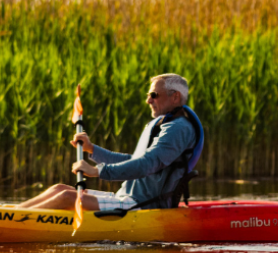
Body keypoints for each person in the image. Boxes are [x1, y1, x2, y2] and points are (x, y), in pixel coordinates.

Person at [16, 73, 199, 213]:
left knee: (66, 197)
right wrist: (92, 149)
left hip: (142, 205)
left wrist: (98, 171)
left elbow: (147, 164)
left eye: (154, 94)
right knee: (59, 188)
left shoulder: (178, 128)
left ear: (175, 97)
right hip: (126, 198)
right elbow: (133, 160)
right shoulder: (165, 125)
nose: (148, 100)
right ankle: (10, 214)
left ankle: (12, 221)